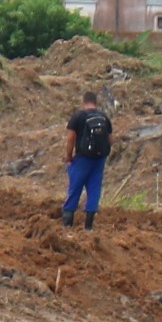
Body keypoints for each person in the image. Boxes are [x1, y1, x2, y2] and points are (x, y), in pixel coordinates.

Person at [62, 90, 112, 228]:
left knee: (75, 189)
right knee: (94, 190)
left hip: (82, 159)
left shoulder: (78, 116)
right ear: (96, 103)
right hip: (99, 160)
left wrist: (69, 157)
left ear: (83, 102)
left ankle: (67, 225)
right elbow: (110, 140)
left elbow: (70, 139)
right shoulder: (104, 117)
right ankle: (88, 227)